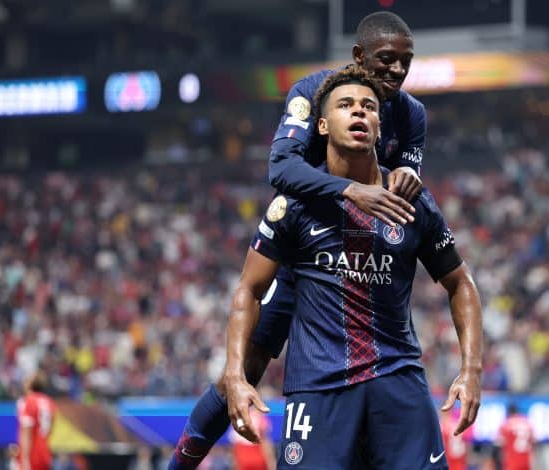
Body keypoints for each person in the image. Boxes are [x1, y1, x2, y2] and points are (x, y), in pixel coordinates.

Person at [170, 11, 427, 469]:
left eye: (405, 62)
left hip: (366, 275)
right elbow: (280, 169)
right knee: (244, 372)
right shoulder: (311, 94)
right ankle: (181, 463)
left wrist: (409, 178)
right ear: (359, 56)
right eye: (387, 59)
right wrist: (351, 190)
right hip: (306, 258)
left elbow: (406, 186)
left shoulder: (411, 115)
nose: (396, 71)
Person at [221, 67, 481, 469]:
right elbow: (249, 290)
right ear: (321, 125)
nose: (359, 113)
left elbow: (460, 282)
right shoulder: (295, 204)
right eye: (346, 106)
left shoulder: (410, 200)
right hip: (318, 388)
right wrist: (235, 376)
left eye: (369, 107)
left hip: (398, 382)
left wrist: (471, 369)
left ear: (380, 126)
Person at [15, 371, 56, 470]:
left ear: (30, 384)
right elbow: (50, 428)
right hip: (45, 453)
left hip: (33, 454)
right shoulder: (49, 402)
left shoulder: (29, 401)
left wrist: (24, 460)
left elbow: (26, 433)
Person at [498, 404, 535, 470]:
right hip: (526, 463)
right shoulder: (527, 423)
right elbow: (534, 440)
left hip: (512, 463)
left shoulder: (506, 424)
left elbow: (500, 443)